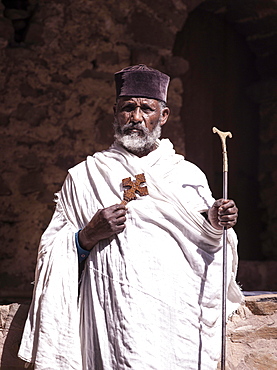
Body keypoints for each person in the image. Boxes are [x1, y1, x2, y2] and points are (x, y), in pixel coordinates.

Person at [18, 64, 243, 369]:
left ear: (163, 116)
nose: (136, 118)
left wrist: (217, 221)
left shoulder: (187, 176)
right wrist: (87, 235)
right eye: (128, 108)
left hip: (175, 323)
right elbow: (51, 250)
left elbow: (209, 242)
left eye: (146, 109)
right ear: (115, 112)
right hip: (113, 320)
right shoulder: (86, 176)